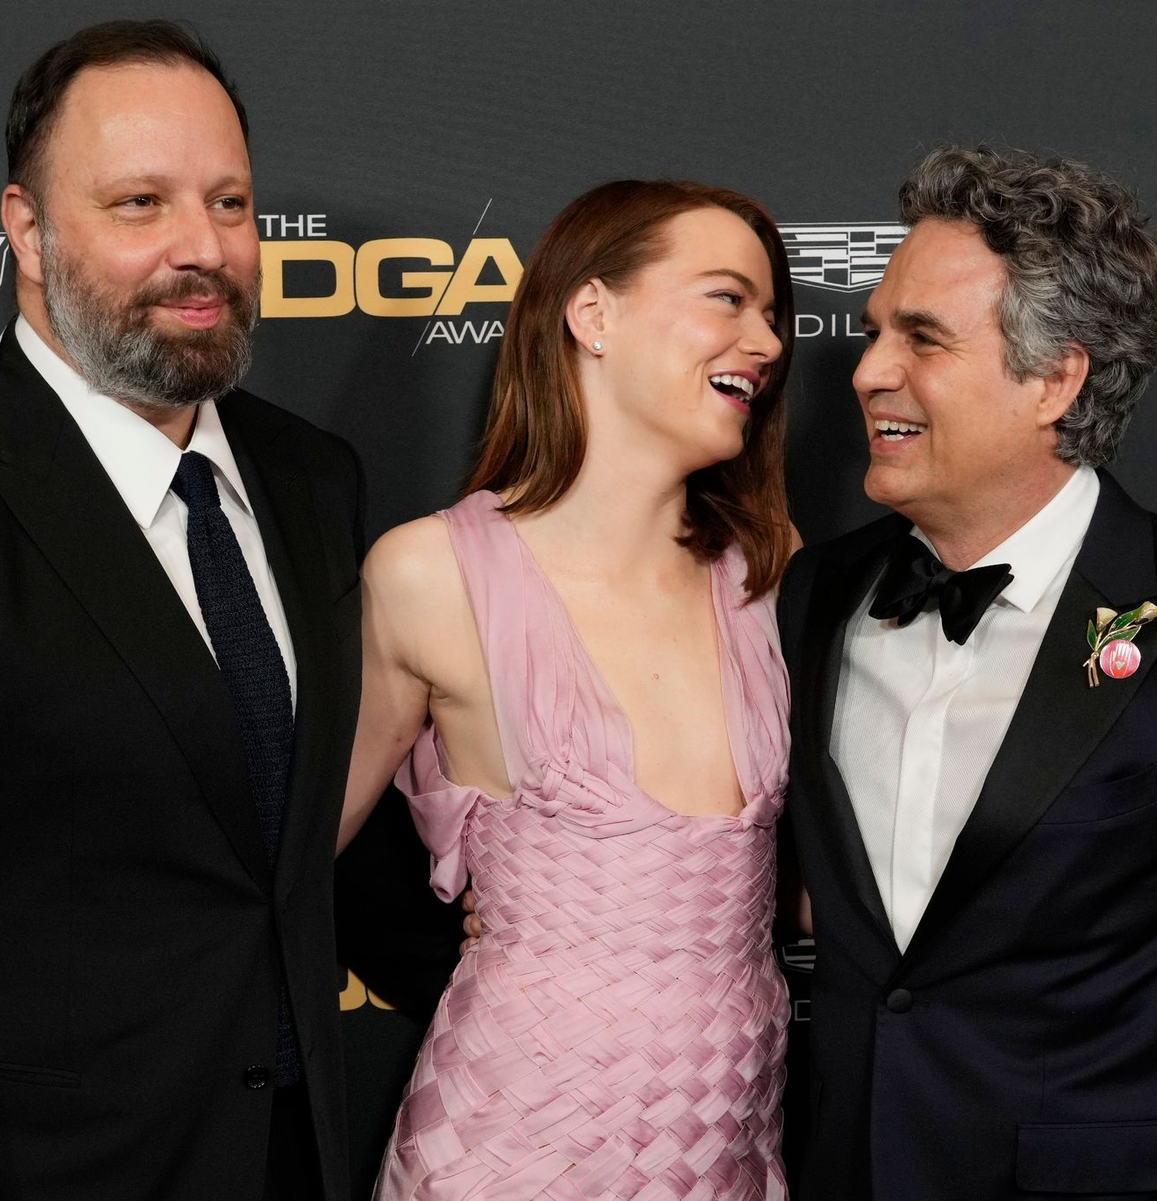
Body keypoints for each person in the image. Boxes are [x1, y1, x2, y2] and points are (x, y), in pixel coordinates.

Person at [340, 178, 799, 1198]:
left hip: (727, 1145)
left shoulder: (768, 574)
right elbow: (289, 857)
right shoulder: (433, 574)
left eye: (771, 313)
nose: (765, 341)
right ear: (591, 314)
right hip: (509, 1143)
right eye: (727, 298)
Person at [0, 22, 364, 1200]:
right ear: (27, 229)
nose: (203, 249)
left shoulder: (314, 478)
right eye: (140, 203)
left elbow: (308, 840)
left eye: (231, 203)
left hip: (303, 1153)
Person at [779, 145, 1157, 1200]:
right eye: (876, 331)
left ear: (1056, 378)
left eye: (923, 338)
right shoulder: (811, 596)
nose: (867, 370)